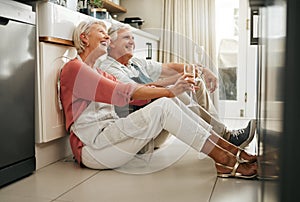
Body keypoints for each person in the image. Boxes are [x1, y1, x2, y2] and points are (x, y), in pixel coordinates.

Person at [58, 20, 257, 179]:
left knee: (167, 102)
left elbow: (137, 93)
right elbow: (122, 93)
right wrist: (169, 90)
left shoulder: (99, 71)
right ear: (84, 38)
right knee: (164, 103)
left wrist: (171, 90)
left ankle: (229, 151)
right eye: (101, 31)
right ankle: (226, 159)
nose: (106, 37)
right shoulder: (74, 68)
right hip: (91, 149)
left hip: (109, 140)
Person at [97, 22, 256, 149]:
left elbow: (170, 67)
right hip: (140, 138)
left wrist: (201, 70)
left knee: (195, 82)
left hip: (158, 126)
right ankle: (225, 138)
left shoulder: (135, 63)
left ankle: (222, 136)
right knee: (173, 93)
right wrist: (176, 82)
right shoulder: (109, 69)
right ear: (111, 43)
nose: (132, 42)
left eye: (132, 37)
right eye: (126, 38)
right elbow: (137, 92)